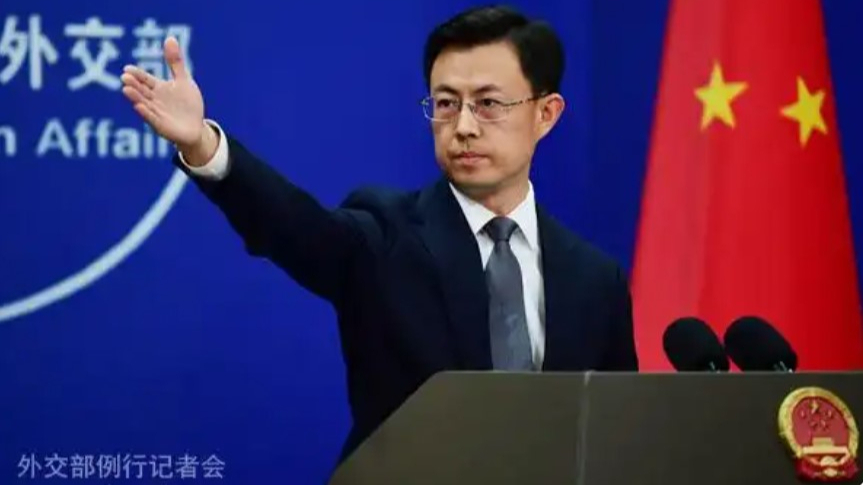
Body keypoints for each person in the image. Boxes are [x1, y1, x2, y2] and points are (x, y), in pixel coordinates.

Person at [120, 5, 638, 463]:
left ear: (545, 114)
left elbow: (616, 439)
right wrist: (205, 147)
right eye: (446, 103)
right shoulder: (385, 233)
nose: (463, 126)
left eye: (488, 103)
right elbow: (297, 229)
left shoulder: (595, 280)